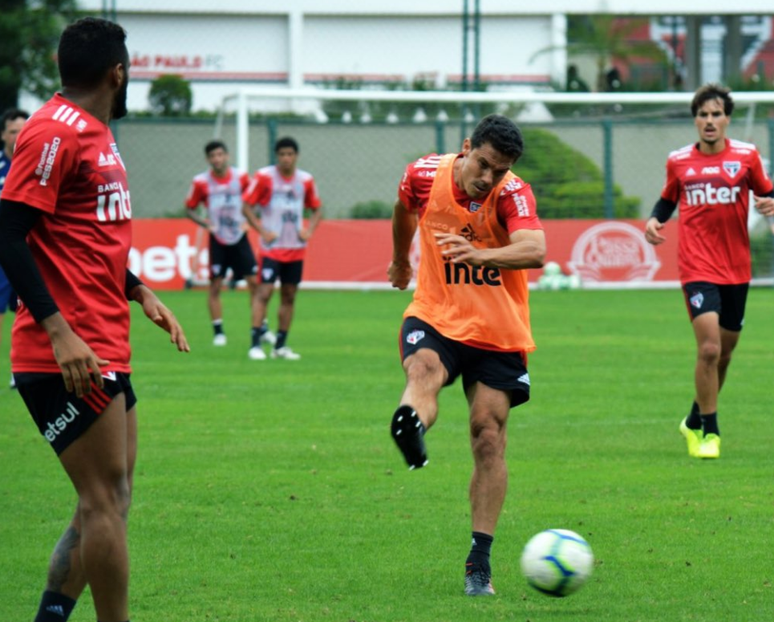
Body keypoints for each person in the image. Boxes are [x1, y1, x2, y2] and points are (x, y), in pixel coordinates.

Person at [0, 17, 190, 622]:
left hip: (104, 338)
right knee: (104, 500)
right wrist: (59, 332)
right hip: (69, 350)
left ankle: (51, 617)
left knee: (110, 498)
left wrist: (137, 289)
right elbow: (9, 233)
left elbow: (80, 236)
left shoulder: (96, 132)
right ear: (118, 72)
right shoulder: (53, 132)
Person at [387, 114, 546, 596]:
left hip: (498, 329)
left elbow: (535, 249)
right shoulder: (423, 173)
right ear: (465, 148)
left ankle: (479, 561)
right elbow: (403, 210)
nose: (489, 178)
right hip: (436, 313)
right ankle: (410, 423)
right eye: (483, 164)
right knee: (424, 369)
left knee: (487, 435)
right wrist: (400, 259)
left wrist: (480, 256)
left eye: (499, 170)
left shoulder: (514, 192)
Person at [644, 83, 774, 460]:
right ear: (695, 120)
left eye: (716, 114)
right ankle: (711, 434)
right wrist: (655, 220)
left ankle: (693, 418)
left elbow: (767, 192)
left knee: (725, 355)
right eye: (703, 114)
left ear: (727, 119)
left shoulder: (748, 157)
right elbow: (668, 198)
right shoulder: (679, 160)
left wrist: (768, 203)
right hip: (697, 266)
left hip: (737, 268)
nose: (710, 121)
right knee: (709, 348)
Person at [185, 139, 271, 359]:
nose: (217, 159)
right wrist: (205, 224)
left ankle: (261, 328)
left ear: (227, 156)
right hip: (218, 240)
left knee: (255, 284)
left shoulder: (240, 178)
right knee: (215, 285)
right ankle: (218, 331)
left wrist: (249, 222)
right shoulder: (201, 182)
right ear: (208, 159)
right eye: (213, 156)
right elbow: (189, 208)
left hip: (240, 237)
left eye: (220, 155)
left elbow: (255, 199)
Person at [241, 136, 322, 360]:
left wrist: (309, 230)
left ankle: (280, 346)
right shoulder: (265, 177)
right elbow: (246, 206)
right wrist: (261, 230)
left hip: (295, 247)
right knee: (263, 292)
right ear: (277, 157)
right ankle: (255, 344)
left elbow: (316, 208)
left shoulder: (305, 180)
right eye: (282, 154)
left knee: (289, 296)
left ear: (296, 156)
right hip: (272, 248)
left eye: (290, 154)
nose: (286, 158)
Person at [0, 107, 29, 388]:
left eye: (22, 130)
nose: (18, 136)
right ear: (3, 135)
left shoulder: (36, 163)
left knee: (29, 309)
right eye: (12, 131)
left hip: (28, 251)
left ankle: (18, 370)